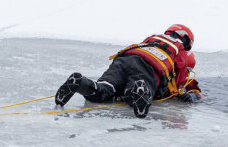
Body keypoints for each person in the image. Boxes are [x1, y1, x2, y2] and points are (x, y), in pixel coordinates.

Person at [55, 24, 203, 118]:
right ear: (187, 41)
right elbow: (181, 82)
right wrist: (189, 95)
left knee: (103, 90)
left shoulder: (153, 38)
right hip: (149, 68)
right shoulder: (183, 52)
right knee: (132, 94)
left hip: (124, 59)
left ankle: (80, 82)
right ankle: (138, 88)